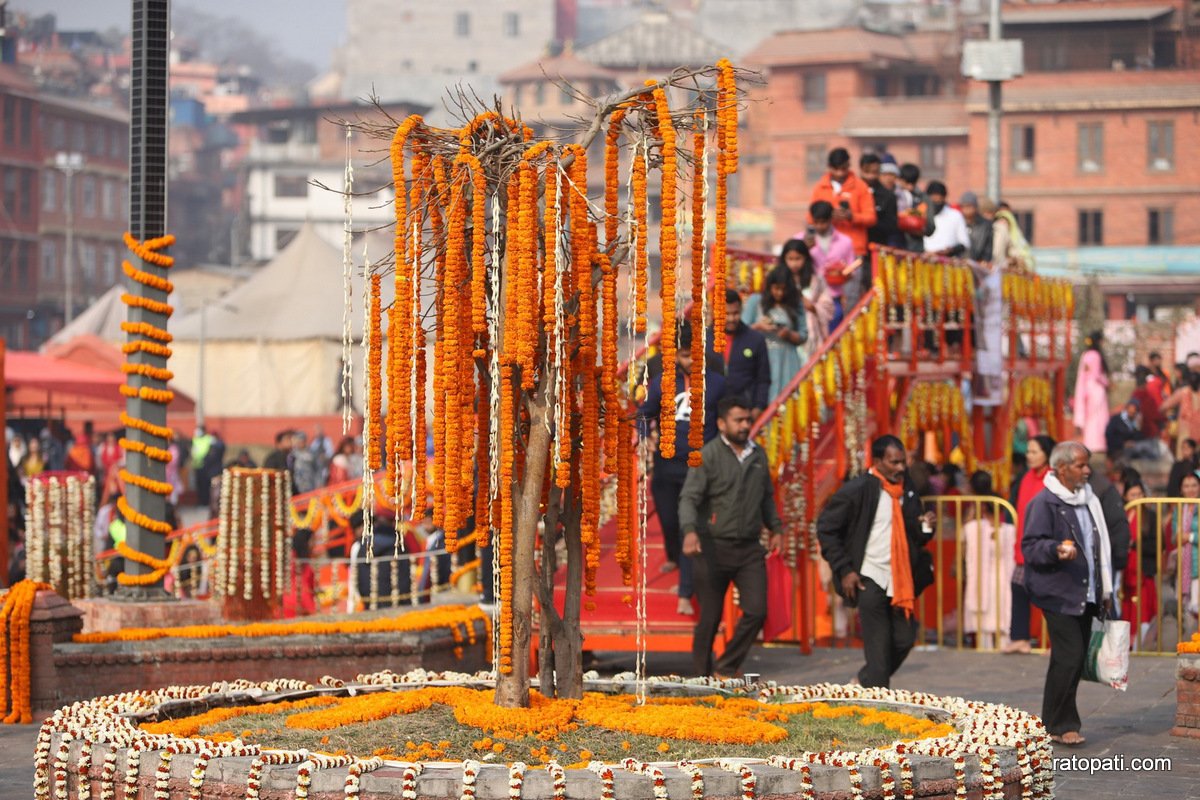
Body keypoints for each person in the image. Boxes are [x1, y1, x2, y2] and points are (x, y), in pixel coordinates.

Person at [816, 435, 936, 687]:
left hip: (900, 578)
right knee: (878, 651)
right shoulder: (858, 489)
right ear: (879, 461)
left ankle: (864, 680)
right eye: (894, 462)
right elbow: (826, 527)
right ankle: (879, 709)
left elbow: (916, 534)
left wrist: (925, 528)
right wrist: (845, 569)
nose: (900, 468)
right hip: (868, 577)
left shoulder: (908, 488)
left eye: (903, 462)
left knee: (904, 639)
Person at [678, 394, 783, 678]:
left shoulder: (758, 454)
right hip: (712, 547)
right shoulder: (707, 455)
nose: (745, 425)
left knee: (757, 611)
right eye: (739, 420)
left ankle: (726, 666)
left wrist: (776, 528)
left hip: (749, 548)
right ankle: (701, 679)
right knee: (710, 619)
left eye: (748, 419)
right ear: (722, 423)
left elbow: (767, 498)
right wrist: (689, 532)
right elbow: (689, 497)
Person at [1022, 442, 1117, 747]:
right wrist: (1055, 549)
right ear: (1062, 469)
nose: (1087, 470)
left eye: (1087, 464)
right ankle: (1065, 723)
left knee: (1068, 660)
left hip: (1086, 592)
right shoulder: (1044, 503)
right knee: (1070, 655)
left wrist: (1106, 589)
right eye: (1080, 465)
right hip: (1057, 592)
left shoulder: (1090, 501)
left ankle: (1051, 722)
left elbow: (1098, 547)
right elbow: (1031, 546)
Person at [639, 322, 726, 616]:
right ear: (675, 354)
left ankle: (685, 594)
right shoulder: (662, 382)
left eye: (695, 355)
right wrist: (643, 438)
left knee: (691, 525)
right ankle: (674, 556)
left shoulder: (717, 383)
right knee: (670, 521)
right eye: (685, 355)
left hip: (699, 468)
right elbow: (643, 414)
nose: (691, 361)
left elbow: (726, 420)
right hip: (665, 465)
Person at [1007, 434, 1056, 653]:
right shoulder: (1025, 477)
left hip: (1045, 544)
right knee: (1018, 587)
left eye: (1035, 451)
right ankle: (1020, 637)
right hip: (1024, 544)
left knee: (1050, 595)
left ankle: (1055, 642)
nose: (1029, 456)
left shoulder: (1053, 479)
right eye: (1028, 451)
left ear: (1047, 455)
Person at [961, 470, 1014, 649]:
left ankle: (987, 645)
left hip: (987, 575)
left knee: (989, 613)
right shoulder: (1006, 526)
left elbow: (963, 539)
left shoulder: (974, 522)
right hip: (999, 576)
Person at [744, 266, 806, 400]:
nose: (780, 293)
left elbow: (803, 335)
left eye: (784, 289)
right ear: (769, 287)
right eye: (776, 288)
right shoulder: (756, 301)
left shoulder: (796, 304)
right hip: (761, 356)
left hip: (787, 359)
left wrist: (788, 334)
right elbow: (741, 328)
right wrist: (759, 326)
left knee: (787, 400)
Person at [808, 146, 876, 266]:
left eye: (843, 168)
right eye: (836, 169)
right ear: (829, 167)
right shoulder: (820, 188)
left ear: (848, 165)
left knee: (852, 284)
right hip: (825, 250)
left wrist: (851, 216)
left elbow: (871, 218)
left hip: (854, 250)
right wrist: (827, 216)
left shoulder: (860, 187)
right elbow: (810, 218)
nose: (840, 173)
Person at [711, 289, 772, 418]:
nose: (731, 319)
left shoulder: (756, 339)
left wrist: (758, 408)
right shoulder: (703, 339)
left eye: (736, 313)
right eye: (726, 314)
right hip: (712, 412)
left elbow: (763, 379)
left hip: (744, 413)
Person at [803, 201, 858, 332]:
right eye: (816, 222)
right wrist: (805, 249)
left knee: (833, 334)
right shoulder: (802, 239)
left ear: (831, 220)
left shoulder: (845, 242)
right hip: (808, 296)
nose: (819, 226)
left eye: (823, 222)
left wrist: (845, 273)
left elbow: (852, 268)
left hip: (834, 296)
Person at [774, 238, 833, 352]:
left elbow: (828, 307)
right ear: (784, 259)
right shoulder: (778, 280)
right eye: (790, 259)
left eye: (798, 259)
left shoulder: (816, 281)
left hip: (811, 335)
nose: (794, 263)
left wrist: (813, 307)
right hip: (786, 332)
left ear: (805, 259)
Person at [1121, 480, 1160, 649]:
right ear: (1125, 497)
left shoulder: (1150, 517)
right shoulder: (1122, 515)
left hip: (1143, 570)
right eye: (1133, 495)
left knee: (1144, 610)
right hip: (1125, 570)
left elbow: (1158, 545)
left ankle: (1141, 645)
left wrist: (1135, 544)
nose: (1137, 499)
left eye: (1140, 495)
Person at [1072, 331, 1110, 456]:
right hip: (1096, 389)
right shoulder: (1095, 355)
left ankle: (1090, 443)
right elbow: (1096, 375)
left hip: (1087, 389)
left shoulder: (1086, 355)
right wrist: (1107, 383)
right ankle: (1098, 443)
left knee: (1091, 418)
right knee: (1098, 416)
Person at [861, 153, 898, 277]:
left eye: (875, 171)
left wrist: (869, 221)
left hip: (876, 251)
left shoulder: (887, 196)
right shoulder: (854, 192)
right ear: (861, 169)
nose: (870, 175)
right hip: (855, 250)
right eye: (867, 171)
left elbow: (891, 226)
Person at [922, 181, 970, 257]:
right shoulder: (921, 215)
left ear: (944, 198)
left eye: (939, 200)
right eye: (933, 201)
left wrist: (950, 251)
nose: (935, 204)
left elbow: (965, 243)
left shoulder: (955, 215)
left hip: (948, 262)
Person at [896, 163, 936, 252]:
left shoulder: (923, 199)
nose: (909, 187)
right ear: (900, 180)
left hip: (915, 249)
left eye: (912, 183)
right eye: (906, 182)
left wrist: (917, 228)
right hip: (895, 247)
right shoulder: (894, 195)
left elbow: (930, 227)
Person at [1161, 370, 1200, 457]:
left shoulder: (1183, 392)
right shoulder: (1183, 392)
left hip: (1190, 431)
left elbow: (1163, 407)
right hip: (1187, 431)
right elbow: (1164, 407)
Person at [1130, 365, 1166, 441]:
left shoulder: (1134, 395)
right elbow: (1155, 414)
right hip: (1149, 429)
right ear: (1145, 384)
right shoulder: (1148, 395)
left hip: (1136, 429)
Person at [960, 192, 993, 263]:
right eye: (964, 206)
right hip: (960, 264)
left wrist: (984, 261)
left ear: (975, 207)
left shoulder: (985, 225)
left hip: (978, 264)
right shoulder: (958, 223)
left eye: (969, 206)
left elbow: (988, 248)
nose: (967, 209)